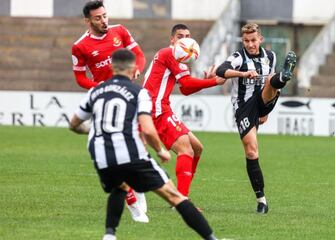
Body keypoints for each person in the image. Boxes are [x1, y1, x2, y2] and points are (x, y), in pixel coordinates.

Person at [69, 49, 220, 240]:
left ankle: (109, 235)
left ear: (111, 67)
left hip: (99, 155)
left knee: (119, 187)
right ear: (134, 68)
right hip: (128, 153)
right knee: (175, 196)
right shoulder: (139, 92)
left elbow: (74, 124)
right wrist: (160, 151)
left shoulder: (96, 91)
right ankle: (212, 239)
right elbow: (148, 129)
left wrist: (93, 132)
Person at [71, 0, 148, 223]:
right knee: (115, 153)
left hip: (129, 97)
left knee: (138, 146)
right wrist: (100, 88)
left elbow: (140, 55)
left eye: (105, 15)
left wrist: (137, 70)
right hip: (104, 103)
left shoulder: (120, 31)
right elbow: (79, 77)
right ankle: (133, 203)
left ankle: (139, 193)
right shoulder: (80, 46)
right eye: (98, 18)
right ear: (87, 20)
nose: (104, 20)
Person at [216, 23, 297, 214]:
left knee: (272, 80)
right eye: (246, 41)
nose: (250, 44)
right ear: (242, 41)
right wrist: (242, 73)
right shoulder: (237, 57)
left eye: (253, 40)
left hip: (263, 99)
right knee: (251, 151)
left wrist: (266, 111)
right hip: (244, 107)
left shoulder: (270, 56)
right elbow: (221, 70)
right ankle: (262, 200)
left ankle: (283, 77)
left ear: (260, 39)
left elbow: (269, 84)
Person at [143, 24, 226, 199]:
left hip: (160, 108)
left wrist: (204, 81)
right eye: (180, 36)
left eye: (188, 36)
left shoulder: (179, 59)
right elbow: (187, 83)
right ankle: (182, 200)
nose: (185, 40)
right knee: (186, 150)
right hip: (155, 110)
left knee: (197, 149)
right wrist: (214, 82)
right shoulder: (169, 53)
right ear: (172, 39)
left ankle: (181, 194)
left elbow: (185, 89)